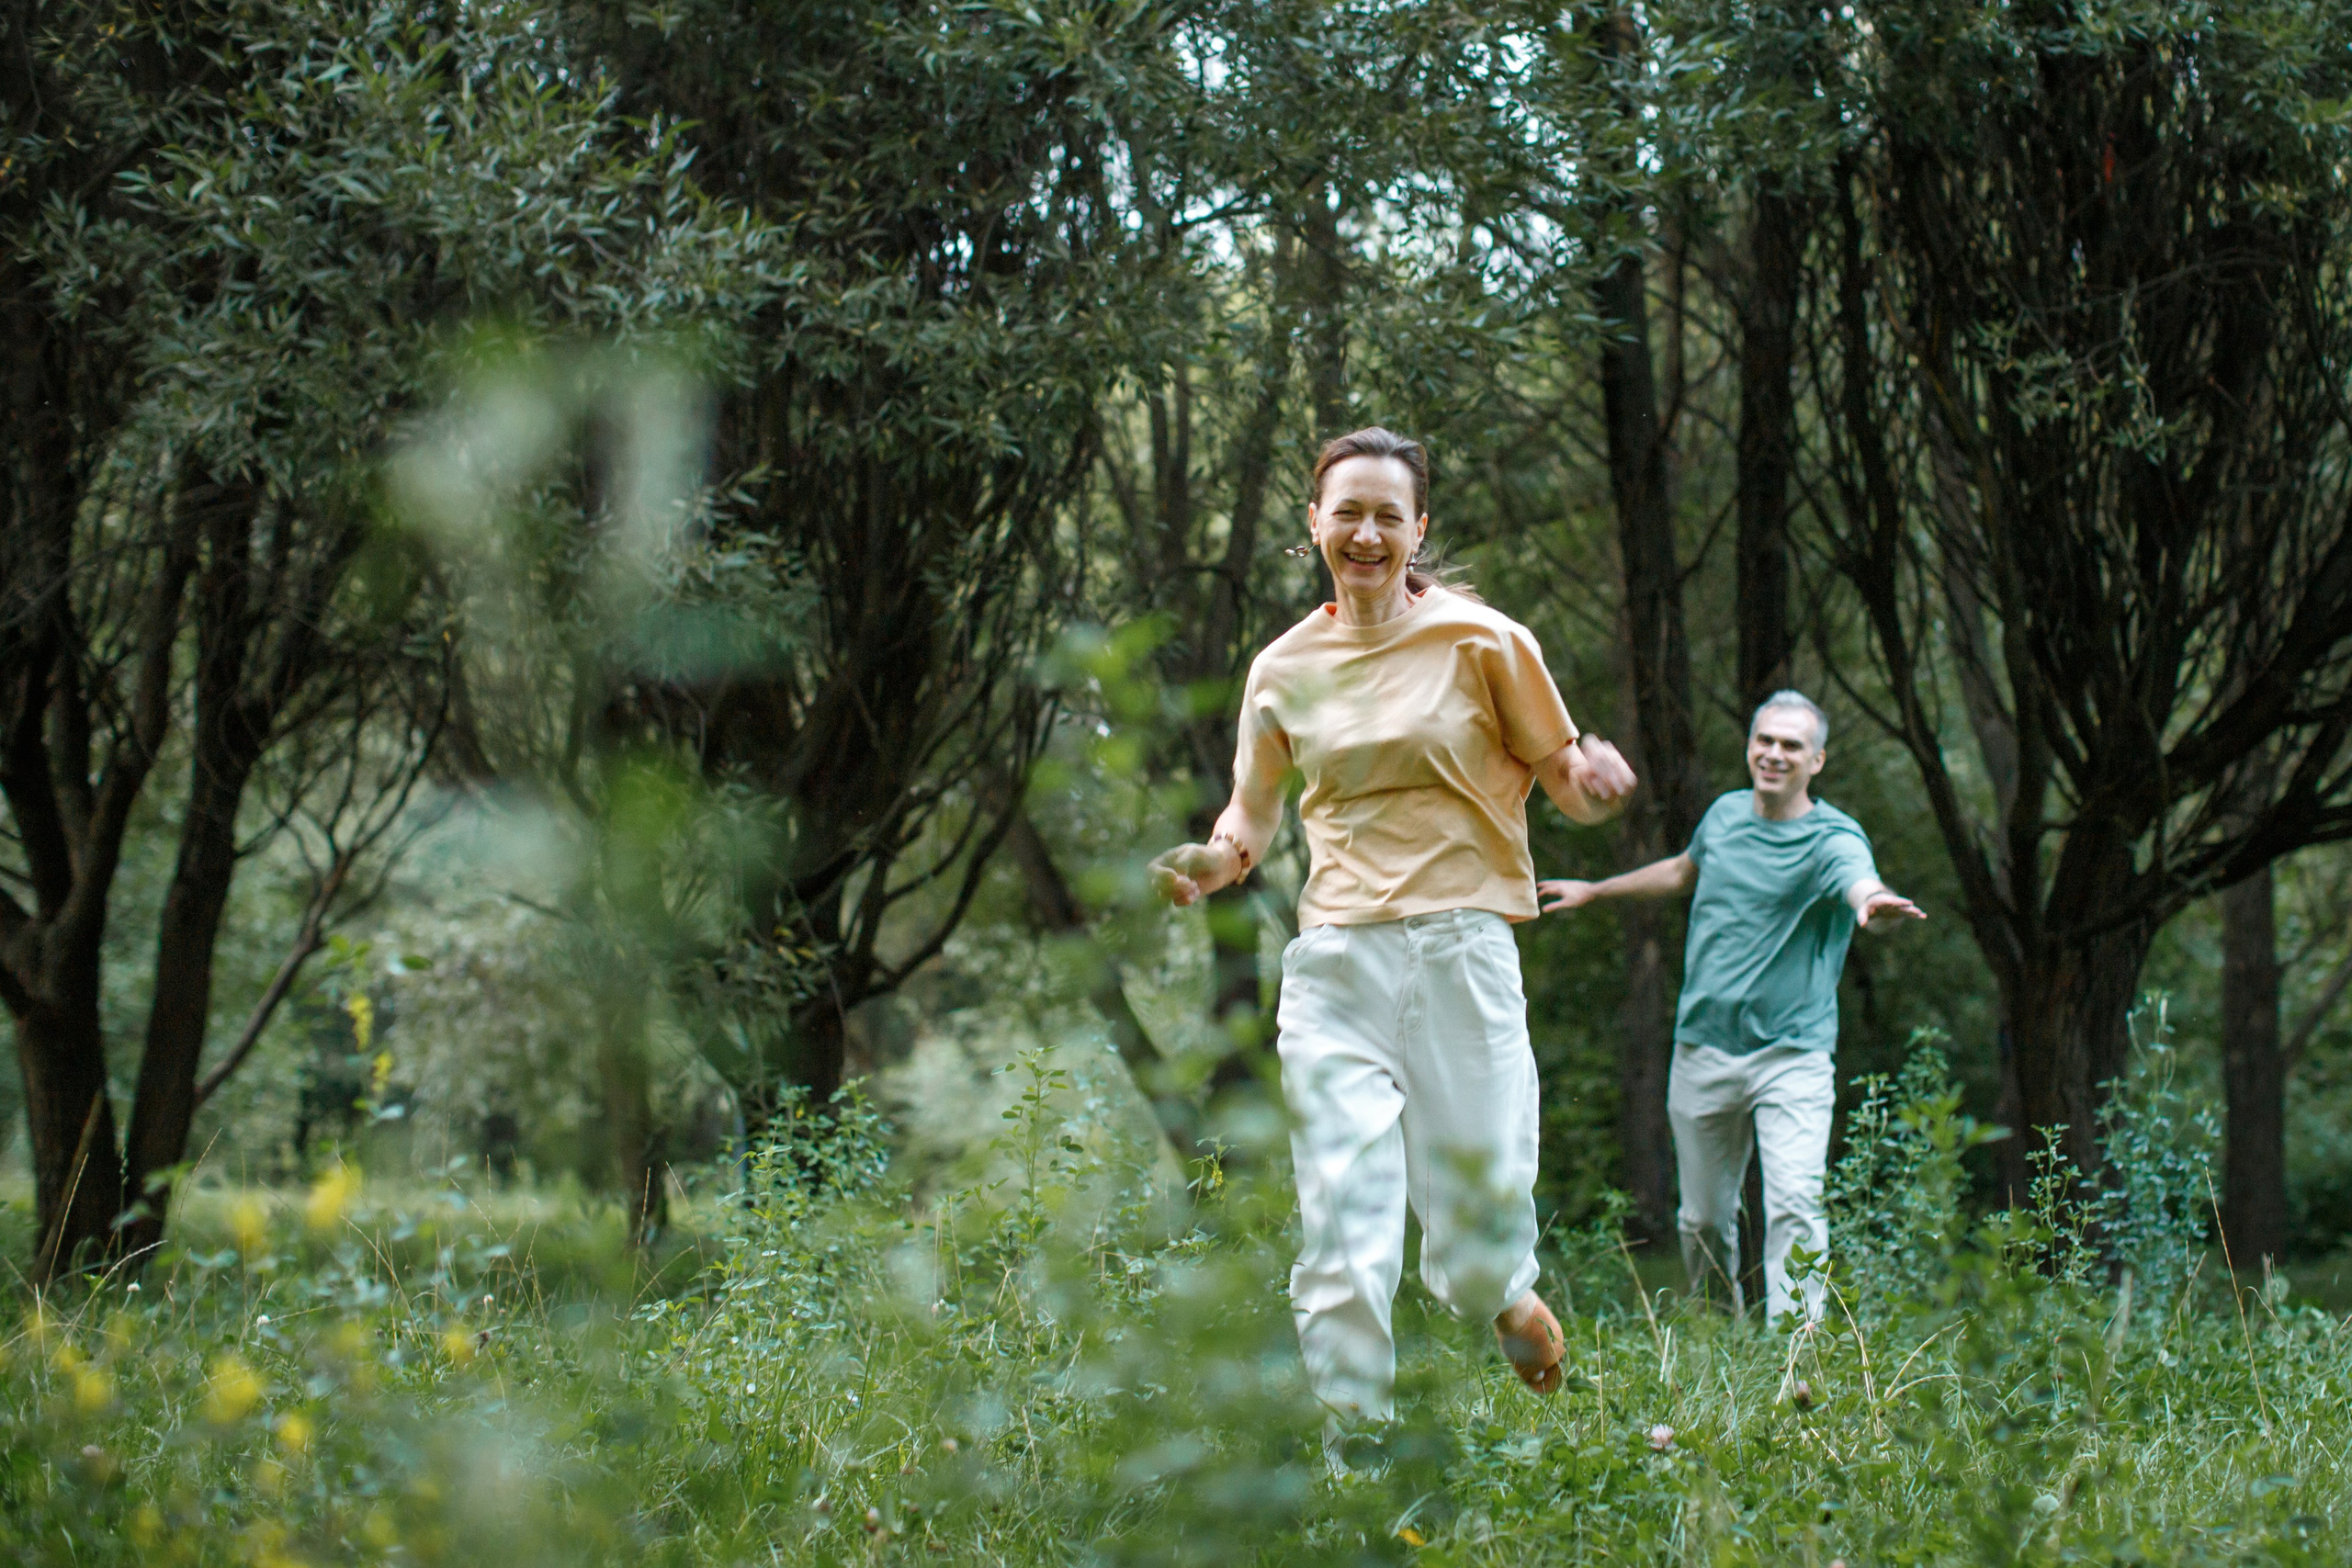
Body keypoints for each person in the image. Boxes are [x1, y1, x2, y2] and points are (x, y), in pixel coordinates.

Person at [1149, 427, 1637, 1434]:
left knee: (1472, 1238)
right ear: (1315, 525)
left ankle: (1499, 1291)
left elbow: (1564, 783)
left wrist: (1597, 791)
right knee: (1342, 1217)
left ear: (1418, 529)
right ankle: (1357, 1453)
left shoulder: (1485, 640)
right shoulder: (1282, 668)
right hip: (1335, 964)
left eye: (1387, 515)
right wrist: (1213, 859)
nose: (1365, 533)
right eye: (1347, 513)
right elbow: (1251, 817)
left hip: (1461, 950)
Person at [1539, 692, 1923, 1325]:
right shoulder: (1722, 817)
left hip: (1792, 1055)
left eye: (1791, 745)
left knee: (1795, 1204)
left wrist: (1876, 906)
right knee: (1703, 1221)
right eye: (1764, 740)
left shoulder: (1832, 839)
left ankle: (1801, 1357)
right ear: (1751, 746)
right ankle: (1723, 1337)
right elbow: (1685, 871)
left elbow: (1861, 885)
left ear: (1817, 760)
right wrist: (1597, 890)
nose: (1774, 754)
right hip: (1704, 1049)